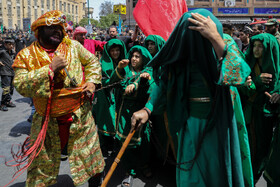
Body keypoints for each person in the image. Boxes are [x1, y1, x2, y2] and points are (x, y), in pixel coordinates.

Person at [131, 9, 253, 187]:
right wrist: (147, 109)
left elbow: (239, 74)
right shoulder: (182, 49)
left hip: (220, 124)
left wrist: (215, 39)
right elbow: (164, 82)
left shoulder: (224, 43)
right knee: (191, 178)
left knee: (218, 175)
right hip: (190, 124)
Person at [11, 10, 104, 186]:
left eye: (60, 28)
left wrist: (92, 82)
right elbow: (21, 85)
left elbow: (92, 62)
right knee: (42, 168)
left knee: (91, 159)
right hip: (47, 122)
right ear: (39, 30)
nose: (58, 31)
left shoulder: (73, 46)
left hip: (80, 117)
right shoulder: (26, 55)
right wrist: (48, 70)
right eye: (52, 27)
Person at [239, 33, 280, 184]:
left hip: (273, 117)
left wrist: (278, 94)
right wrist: (255, 81)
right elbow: (244, 90)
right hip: (254, 116)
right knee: (255, 148)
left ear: (269, 49)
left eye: (260, 46)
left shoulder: (277, 65)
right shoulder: (248, 64)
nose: (255, 49)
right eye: (254, 45)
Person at [115, 45, 154, 187]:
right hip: (125, 112)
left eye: (138, 57)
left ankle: (144, 165)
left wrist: (140, 82)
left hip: (141, 111)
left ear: (143, 59)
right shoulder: (125, 70)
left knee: (144, 142)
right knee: (127, 143)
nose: (134, 59)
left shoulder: (147, 71)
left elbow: (151, 86)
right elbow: (117, 82)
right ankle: (129, 171)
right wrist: (127, 84)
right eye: (133, 56)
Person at [92, 39, 128, 157]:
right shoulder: (102, 63)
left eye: (117, 50)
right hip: (106, 97)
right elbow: (104, 81)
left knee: (119, 121)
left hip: (121, 96)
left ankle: (117, 145)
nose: (115, 53)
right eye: (112, 50)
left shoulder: (126, 62)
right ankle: (103, 146)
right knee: (106, 121)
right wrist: (118, 70)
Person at [0, 38, 16, 111]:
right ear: (5, 44)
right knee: (6, 88)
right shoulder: (2, 51)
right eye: (10, 44)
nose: (11, 46)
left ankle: (8, 101)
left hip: (12, 72)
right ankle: (3, 104)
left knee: (11, 88)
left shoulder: (13, 52)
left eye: (12, 44)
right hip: (5, 72)